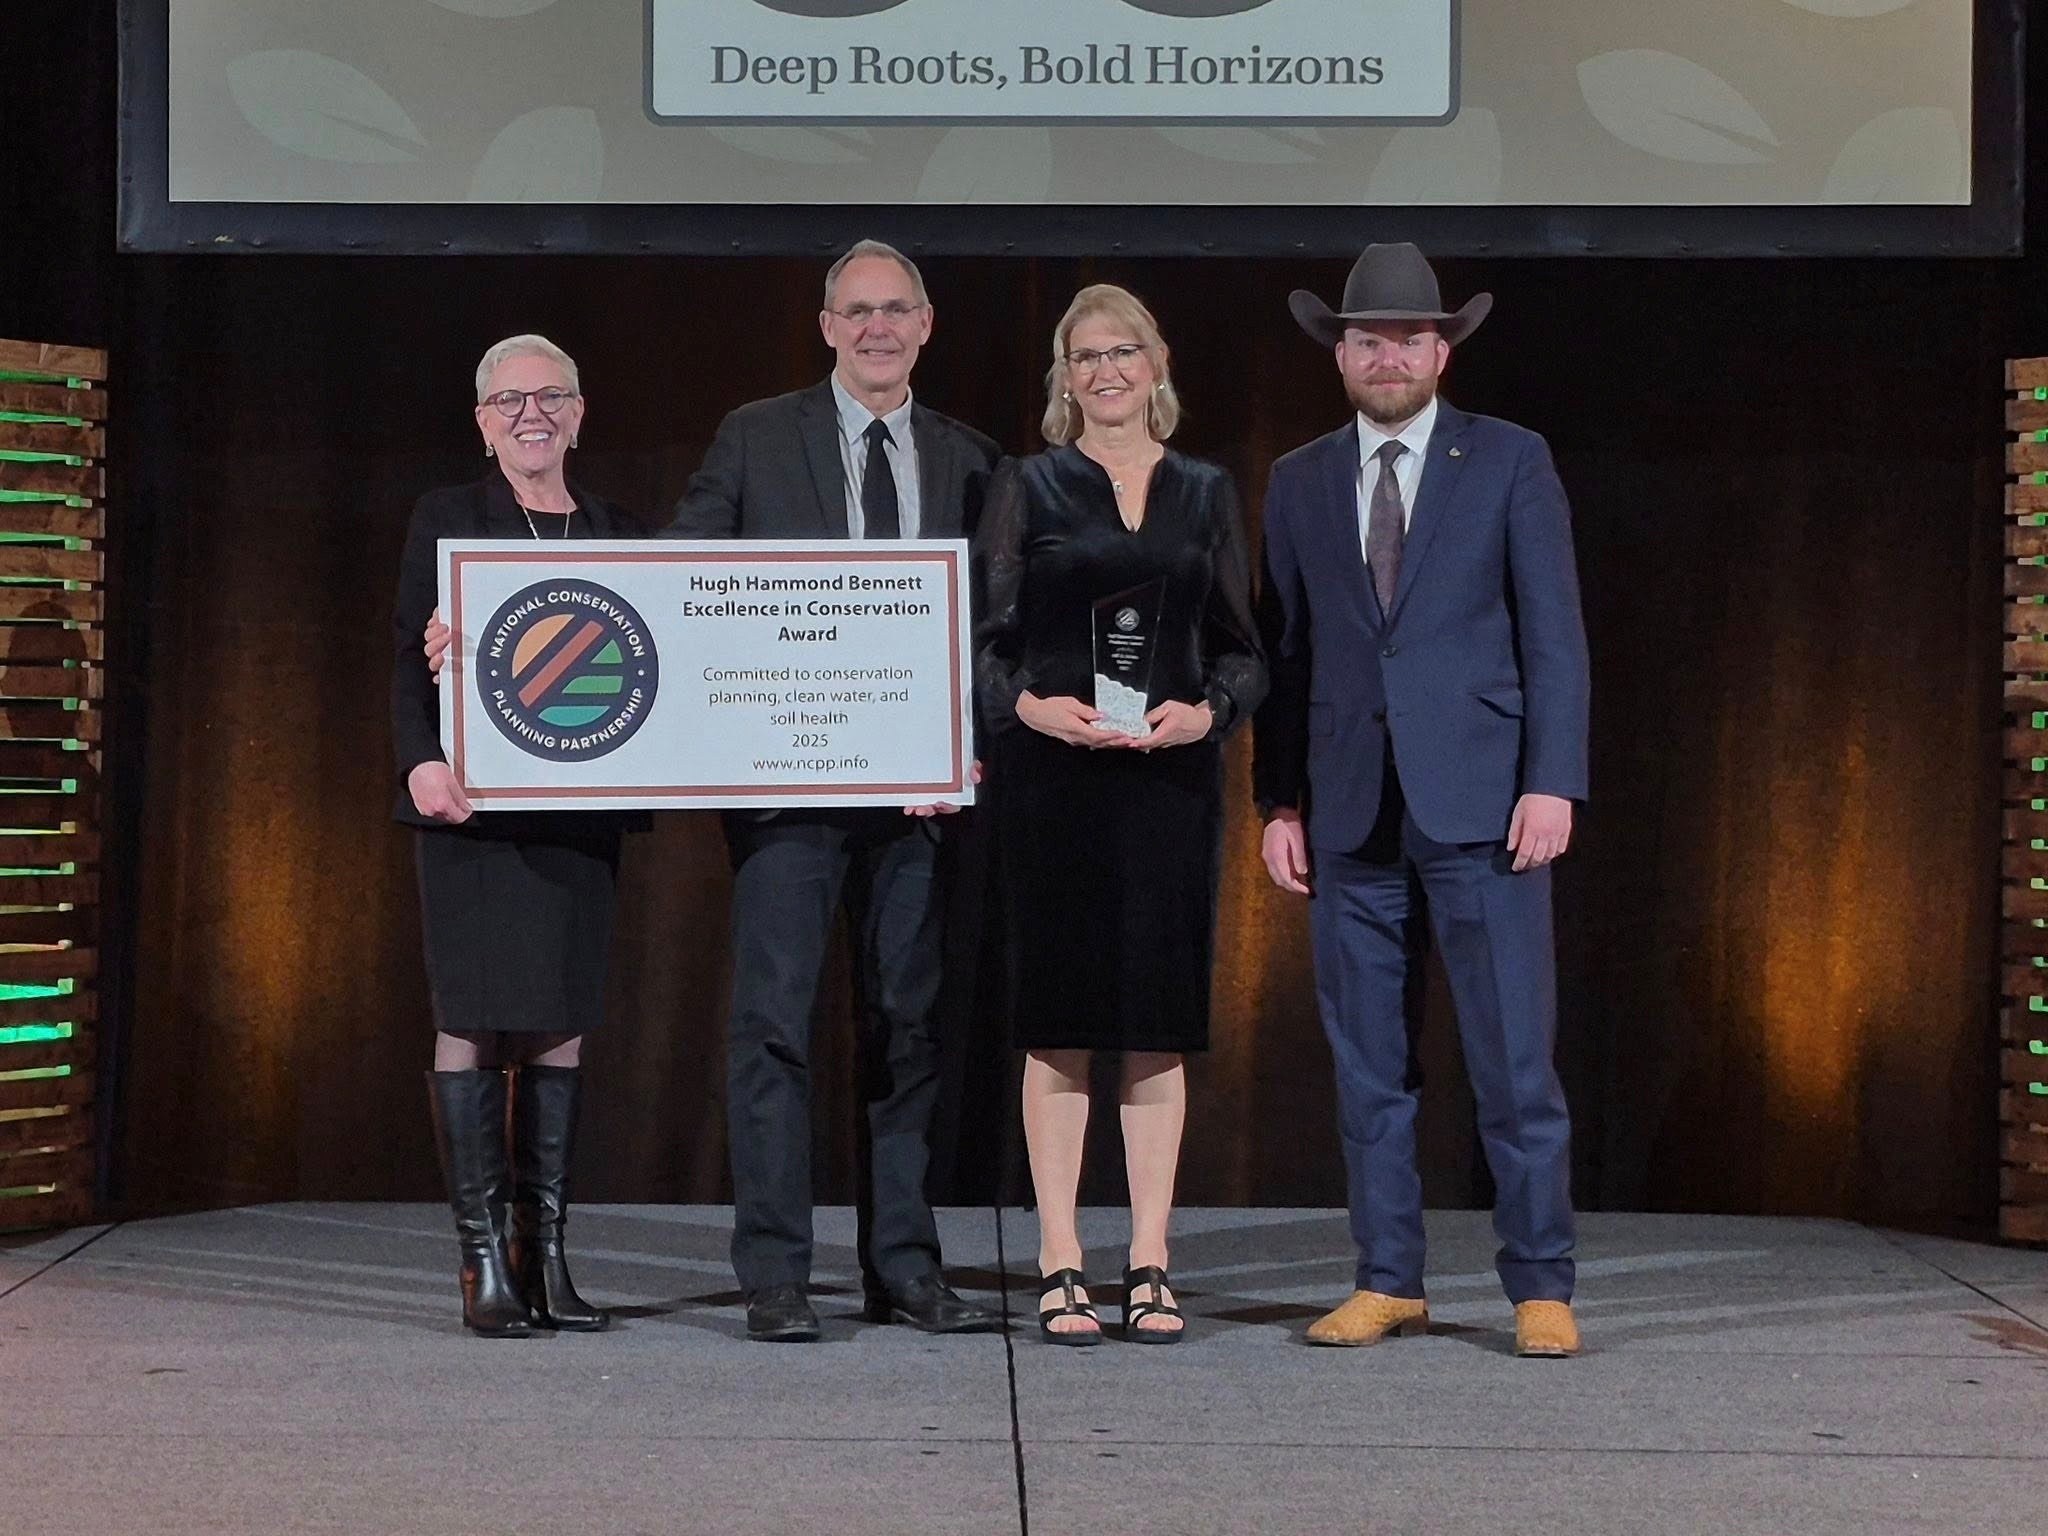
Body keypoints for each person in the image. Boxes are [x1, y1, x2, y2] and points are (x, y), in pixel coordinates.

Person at [1253, 243, 1590, 1358]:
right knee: (1368, 1068)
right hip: (1349, 812)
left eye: (1405, 337)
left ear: (1439, 350)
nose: (1385, 354)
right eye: (1365, 338)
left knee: (1510, 1062)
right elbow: (1287, 654)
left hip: (1485, 807)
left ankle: (1539, 1283)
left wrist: (1551, 778)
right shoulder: (1299, 477)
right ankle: (1387, 1277)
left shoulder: (1506, 459)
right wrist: (1278, 801)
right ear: (1338, 353)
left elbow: (1552, 635)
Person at [667, 240, 1002, 1341]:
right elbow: (680, 578)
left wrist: (968, 739)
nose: (875, 328)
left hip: (917, 804)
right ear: (824, 326)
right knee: (770, 1027)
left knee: (906, 1030)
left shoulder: (971, 459)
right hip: (784, 795)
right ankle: (773, 1272)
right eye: (855, 311)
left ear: (926, 322)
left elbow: (994, 633)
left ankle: (902, 1266)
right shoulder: (755, 436)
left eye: (894, 310)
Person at [973, 284, 1265, 1344]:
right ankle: (1059, 1259)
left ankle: (1148, 1262)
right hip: (1052, 787)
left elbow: (1244, 647)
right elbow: (982, 642)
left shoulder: (1204, 490)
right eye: (1082, 355)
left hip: (1166, 790)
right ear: (1062, 375)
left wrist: (1210, 715)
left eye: (1122, 350)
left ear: (1156, 363)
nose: (1104, 370)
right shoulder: (1029, 484)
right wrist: (1026, 709)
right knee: (1056, 1030)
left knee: (1153, 1031)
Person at [394, 334, 645, 1337]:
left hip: (578, 820)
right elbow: (400, 657)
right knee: (472, 1020)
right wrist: (419, 757)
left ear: (579, 414)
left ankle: (545, 1259)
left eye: (549, 397)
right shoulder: (448, 520)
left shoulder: (623, 534)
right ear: (481, 422)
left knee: (558, 1020)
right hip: (469, 809)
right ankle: (481, 1267)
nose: (529, 414)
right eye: (508, 401)